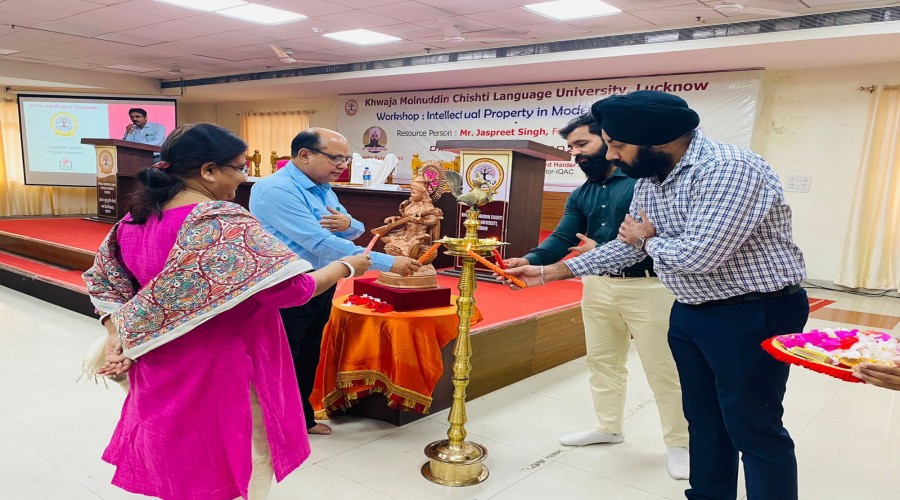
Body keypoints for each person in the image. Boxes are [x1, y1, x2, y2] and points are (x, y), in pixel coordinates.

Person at [503, 90, 809, 500]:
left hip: (753, 311)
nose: (611, 155)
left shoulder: (728, 168)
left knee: (754, 426)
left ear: (658, 140)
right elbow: (627, 244)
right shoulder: (652, 178)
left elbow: (699, 255)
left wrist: (647, 241)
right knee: (703, 418)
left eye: (617, 145)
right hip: (691, 308)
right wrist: (550, 271)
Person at [82, 123, 372, 500]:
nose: (243, 177)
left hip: (159, 361)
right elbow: (292, 290)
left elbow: (104, 280)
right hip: (224, 367)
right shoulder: (221, 223)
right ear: (209, 171)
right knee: (235, 461)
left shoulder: (133, 219)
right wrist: (345, 267)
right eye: (239, 167)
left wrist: (115, 332)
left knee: (178, 457)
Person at [504, 113, 689, 479]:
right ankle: (608, 427)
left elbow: (646, 240)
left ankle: (680, 443)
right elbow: (562, 238)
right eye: (570, 147)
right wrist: (529, 260)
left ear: (607, 141)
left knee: (664, 369)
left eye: (582, 144)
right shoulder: (582, 193)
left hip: (649, 288)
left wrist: (597, 250)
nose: (575, 153)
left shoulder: (642, 184)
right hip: (598, 286)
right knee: (603, 361)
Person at [249, 128, 421, 435]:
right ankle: (276, 427)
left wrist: (348, 223)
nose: (342, 165)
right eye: (335, 158)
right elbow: (319, 242)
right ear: (305, 155)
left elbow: (353, 229)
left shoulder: (323, 187)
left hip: (322, 282)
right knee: (283, 358)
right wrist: (388, 262)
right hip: (286, 287)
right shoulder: (276, 190)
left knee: (309, 352)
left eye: (345, 159)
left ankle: (301, 419)